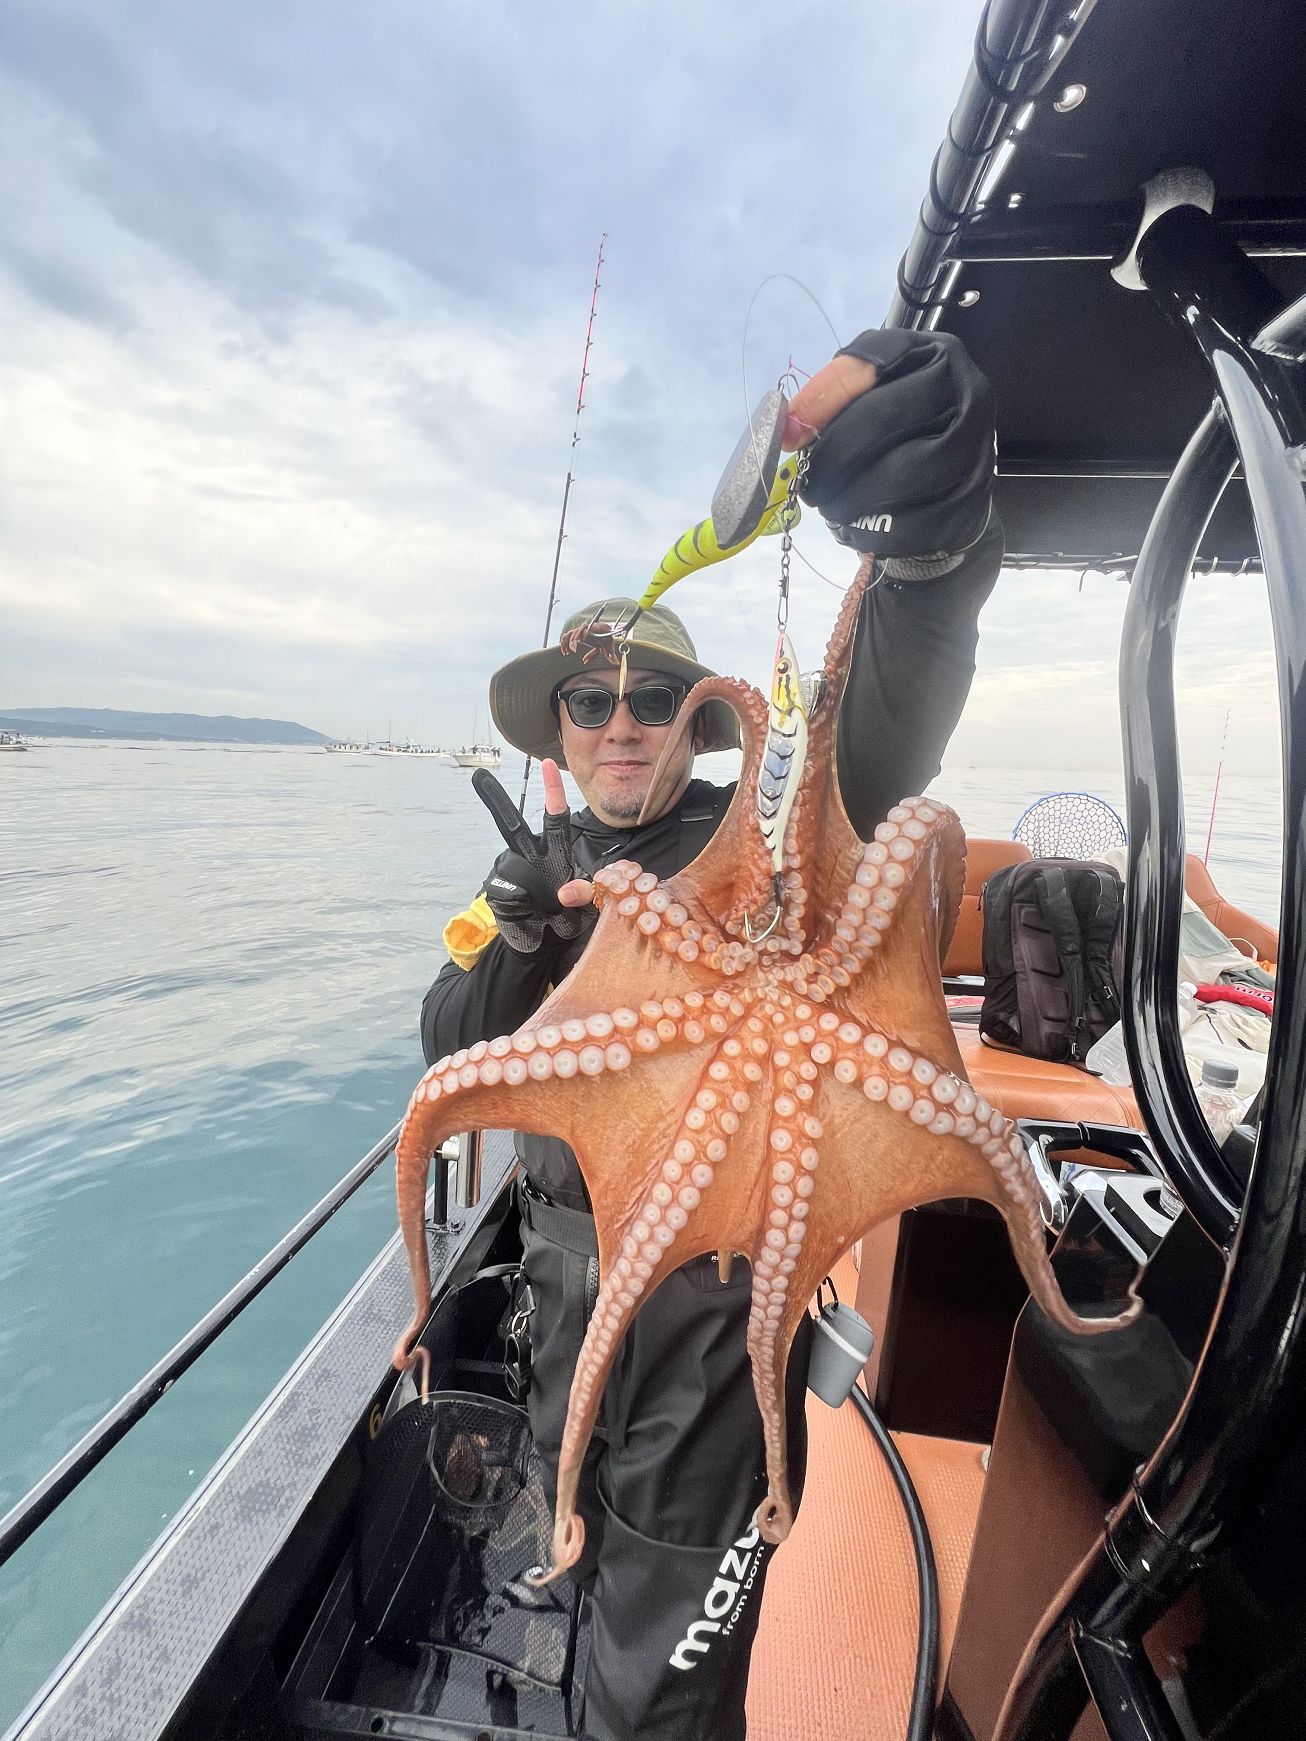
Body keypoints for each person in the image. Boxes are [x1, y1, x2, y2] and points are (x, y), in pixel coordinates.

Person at [420, 328, 1000, 1740]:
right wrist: (517, 928)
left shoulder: (764, 848)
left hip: (707, 1311)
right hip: (563, 1291)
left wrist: (933, 551)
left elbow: (886, 732)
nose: (619, 724)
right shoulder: (527, 874)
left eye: (650, 700)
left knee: (667, 1659)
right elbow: (445, 1048)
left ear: (697, 725)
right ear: (558, 731)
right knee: (566, 1543)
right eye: (589, 701)